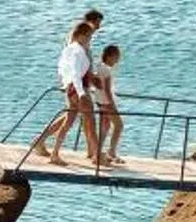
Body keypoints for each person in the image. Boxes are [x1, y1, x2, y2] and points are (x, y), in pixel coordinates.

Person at [28, 18, 97, 164]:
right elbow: (76, 73)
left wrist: (66, 84)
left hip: (72, 88)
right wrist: (82, 93)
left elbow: (62, 68)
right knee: (81, 121)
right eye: (89, 36)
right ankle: (94, 155)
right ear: (81, 35)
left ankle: (45, 145)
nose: (90, 39)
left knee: (68, 120)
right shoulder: (78, 50)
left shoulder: (70, 48)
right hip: (77, 89)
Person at [88, 42, 124, 167]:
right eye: (116, 56)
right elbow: (107, 90)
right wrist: (112, 104)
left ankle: (97, 153)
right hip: (106, 103)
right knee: (119, 125)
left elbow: (95, 85)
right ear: (110, 56)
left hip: (99, 102)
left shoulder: (98, 66)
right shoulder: (107, 70)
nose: (117, 60)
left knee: (105, 127)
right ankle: (111, 151)